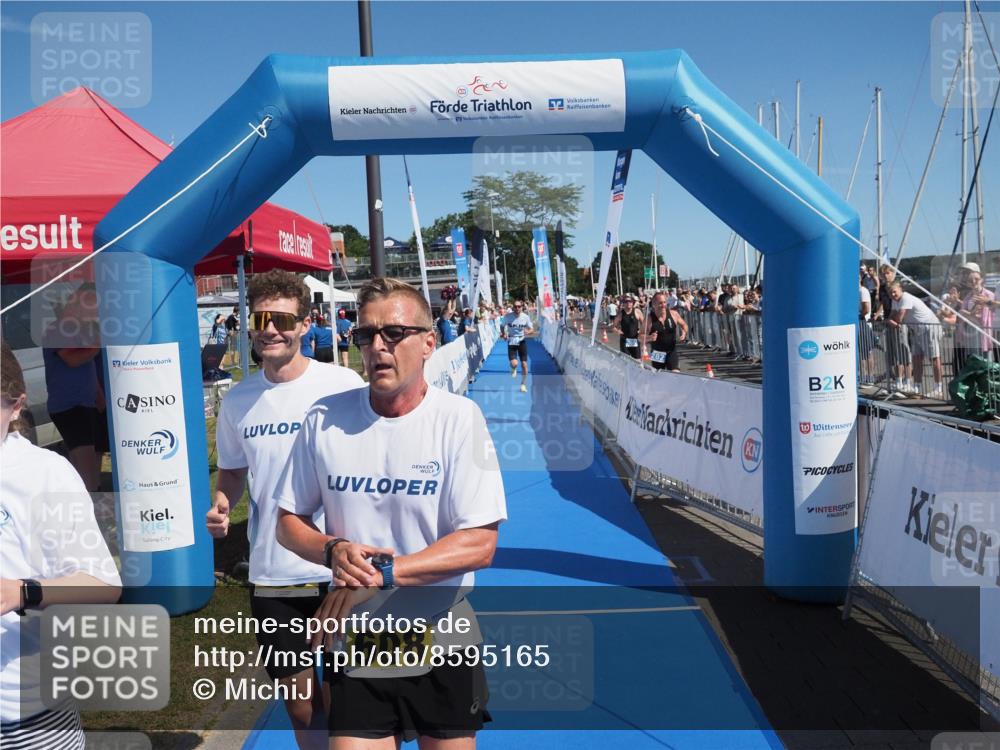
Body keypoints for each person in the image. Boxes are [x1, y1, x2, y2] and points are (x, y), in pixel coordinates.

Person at [274, 278, 505, 746]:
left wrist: (383, 573)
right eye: (366, 334)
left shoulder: (459, 419)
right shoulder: (324, 418)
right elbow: (287, 523)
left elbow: (480, 545)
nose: (378, 345)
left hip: (441, 633)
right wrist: (332, 549)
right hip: (356, 643)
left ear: (428, 343)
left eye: (394, 333)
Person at [205, 270, 364, 750]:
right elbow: (233, 470)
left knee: (350, 700)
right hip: (273, 574)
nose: (270, 330)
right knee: (300, 705)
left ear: (305, 324)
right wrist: (222, 501)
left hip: (341, 570)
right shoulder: (239, 399)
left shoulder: (343, 383)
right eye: (260, 319)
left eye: (282, 320)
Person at [1, 340, 121, 749]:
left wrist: (22, 592)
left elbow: (104, 586)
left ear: (17, 406)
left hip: (26, 710)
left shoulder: (44, 473)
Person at [42, 285, 108, 491]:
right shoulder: (57, 330)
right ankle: (90, 504)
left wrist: (99, 399)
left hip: (86, 404)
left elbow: (89, 369)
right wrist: (98, 345)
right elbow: (72, 359)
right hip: (69, 406)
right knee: (85, 463)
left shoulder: (82, 330)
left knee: (93, 458)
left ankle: (93, 498)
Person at [888, 282, 944, 398]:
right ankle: (917, 388)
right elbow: (892, 315)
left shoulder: (906, 298)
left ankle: (938, 389)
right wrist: (890, 320)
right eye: (890, 293)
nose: (893, 294)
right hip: (916, 330)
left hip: (929, 327)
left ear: (901, 289)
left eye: (894, 292)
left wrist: (890, 321)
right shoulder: (895, 300)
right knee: (916, 359)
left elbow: (899, 318)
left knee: (934, 358)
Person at [940, 262, 996, 375]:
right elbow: (961, 312)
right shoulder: (968, 295)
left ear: (981, 279)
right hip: (969, 332)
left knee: (985, 362)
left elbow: (983, 316)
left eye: (976, 279)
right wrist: (970, 313)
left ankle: (986, 384)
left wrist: (969, 314)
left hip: (983, 332)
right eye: (970, 279)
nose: (973, 281)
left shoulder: (987, 294)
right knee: (972, 361)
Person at [645, 291, 688, 371]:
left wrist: (684, 332)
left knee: (675, 374)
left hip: (671, 351)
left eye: (664, 302)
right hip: (657, 353)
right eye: (660, 303)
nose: (663, 305)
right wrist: (649, 337)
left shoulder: (674, 314)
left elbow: (684, 325)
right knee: (659, 376)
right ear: (654, 304)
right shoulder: (649, 319)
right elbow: (640, 336)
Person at [501, 300, 534, 393]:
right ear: (513, 307)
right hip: (512, 341)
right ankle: (513, 367)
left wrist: (528, 332)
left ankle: (523, 384)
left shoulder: (525, 317)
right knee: (515, 363)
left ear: (522, 307)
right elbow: (502, 326)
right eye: (515, 306)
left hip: (522, 341)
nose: (517, 308)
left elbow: (532, 329)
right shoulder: (508, 316)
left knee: (524, 364)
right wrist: (503, 334)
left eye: (519, 306)